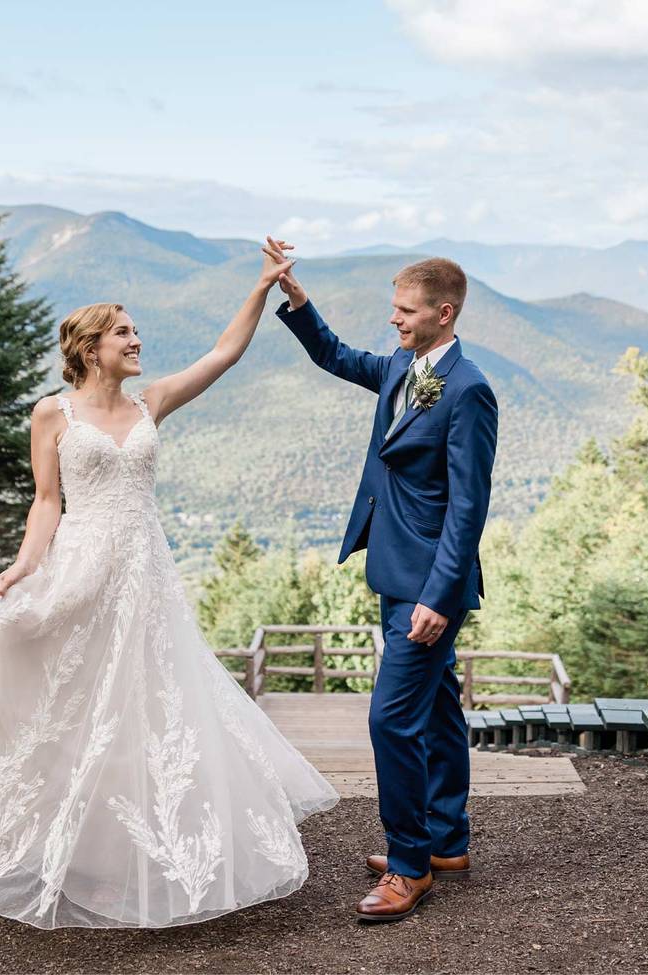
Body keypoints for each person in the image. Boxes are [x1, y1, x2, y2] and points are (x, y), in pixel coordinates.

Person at [0, 240, 340, 930]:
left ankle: (120, 849)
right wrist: (23, 565)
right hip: (81, 566)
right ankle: (4, 838)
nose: (137, 341)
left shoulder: (151, 401)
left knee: (142, 713)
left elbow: (222, 354)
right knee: (64, 703)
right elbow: (47, 501)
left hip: (145, 574)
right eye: (124, 333)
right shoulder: (54, 414)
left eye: (134, 332)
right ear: (90, 347)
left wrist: (262, 287)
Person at [267, 239, 498, 923]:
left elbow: (468, 506)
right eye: (393, 307)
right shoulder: (404, 363)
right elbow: (336, 356)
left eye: (405, 309)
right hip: (394, 567)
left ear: (444, 312)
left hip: (430, 583)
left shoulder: (469, 389)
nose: (393, 319)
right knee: (436, 708)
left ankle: (409, 864)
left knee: (390, 718)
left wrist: (440, 593)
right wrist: (297, 299)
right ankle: (447, 841)